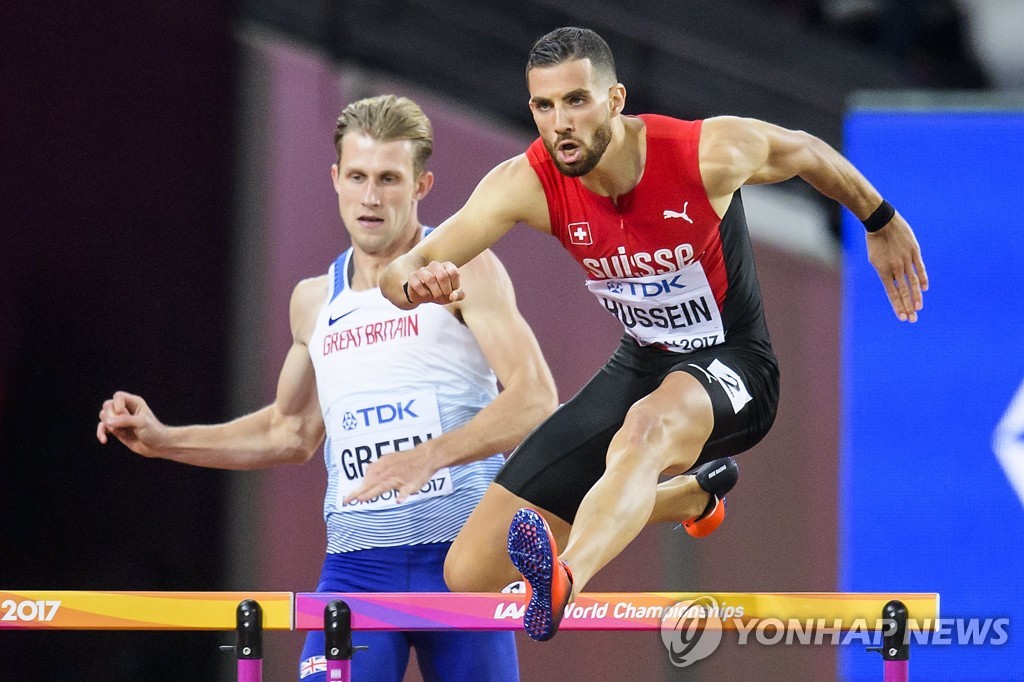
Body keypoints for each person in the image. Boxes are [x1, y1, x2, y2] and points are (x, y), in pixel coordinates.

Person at [380, 27, 929, 642]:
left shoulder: (703, 152)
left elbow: (804, 151)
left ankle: (565, 577)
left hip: (734, 364)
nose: (559, 124)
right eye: (543, 106)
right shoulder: (527, 183)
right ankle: (690, 497)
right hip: (642, 362)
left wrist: (880, 219)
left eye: (576, 101)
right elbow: (404, 266)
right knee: (469, 570)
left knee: (646, 427)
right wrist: (413, 287)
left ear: (614, 100)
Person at [96, 95, 559, 681]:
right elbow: (288, 431)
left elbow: (536, 398)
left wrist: (430, 456)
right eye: (359, 176)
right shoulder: (315, 301)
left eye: (389, 179)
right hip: (357, 571)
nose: (371, 197)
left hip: (462, 562)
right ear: (336, 179)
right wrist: (164, 439)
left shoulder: (463, 270)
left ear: (422, 185)